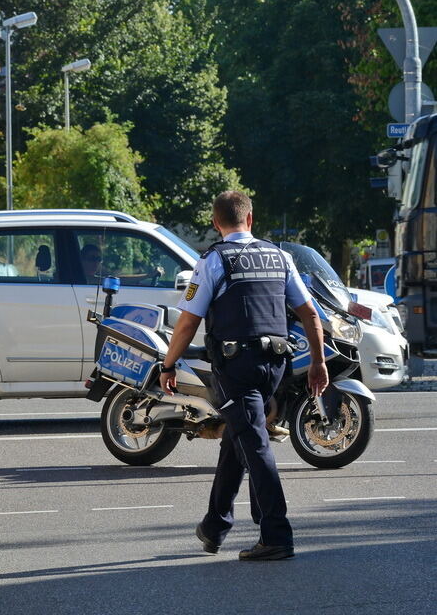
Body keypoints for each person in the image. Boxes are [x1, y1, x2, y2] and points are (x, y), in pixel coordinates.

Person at [159, 191, 328, 561]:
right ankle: (215, 525)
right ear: (250, 219)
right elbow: (310, 315)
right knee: (237, 438)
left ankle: (277, 536)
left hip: (237, 368)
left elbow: (188, 322)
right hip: (276, 365)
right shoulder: (279, 256)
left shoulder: (213, 261)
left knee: (255, 444)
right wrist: (318, 363)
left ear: (216, 224)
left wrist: (168, 365)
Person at [80, 242, 165, 286]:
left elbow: (112, 275)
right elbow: (115, 280)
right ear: (82, 260)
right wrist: (147, 275)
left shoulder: (96, 274)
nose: (96, 262)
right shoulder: (82, 279)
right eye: (91, 259)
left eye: (99, 259)